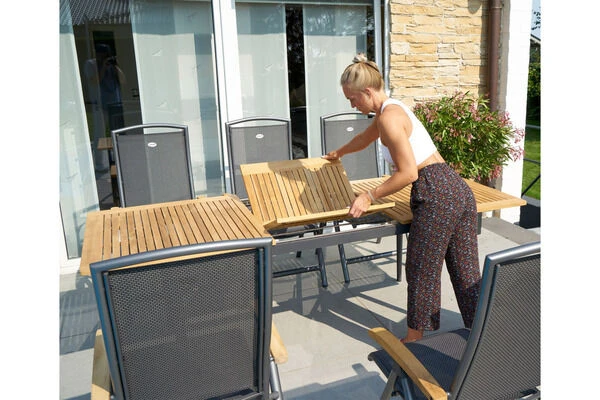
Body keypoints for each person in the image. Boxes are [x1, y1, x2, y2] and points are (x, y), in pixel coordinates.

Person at [323, 54, 481, 343]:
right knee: (466, 270)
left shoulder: (389, 119)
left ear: (367, 91)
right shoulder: (390, 110)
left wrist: (369, 196)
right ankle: (484, 332)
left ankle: (413, 339)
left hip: (435, 192)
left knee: (421, 268)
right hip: (456, 188)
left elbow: (408, 173)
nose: (352, 105)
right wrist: (339, 152)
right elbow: (365, 138)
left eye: (353, 99)